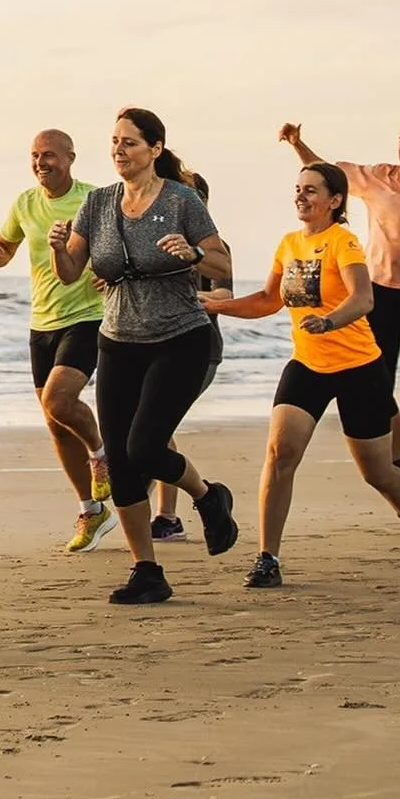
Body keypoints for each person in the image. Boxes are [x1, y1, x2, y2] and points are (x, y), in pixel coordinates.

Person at [209, 162, 400, 589]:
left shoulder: (344, 241)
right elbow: (267, 300)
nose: (300, 196)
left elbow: (364, 298)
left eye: (311, 190)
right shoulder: (289, 244)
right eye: (297, 189)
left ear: (334, 200)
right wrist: (215, 306)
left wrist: (329, 321)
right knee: (280, 454)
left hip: (359, 367)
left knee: (377, 472)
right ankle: (268, 558)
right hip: (307, 365)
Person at [50, 108, 237, 605]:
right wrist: (58, 248)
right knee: (121, 461)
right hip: (117, 341)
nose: (119, 150)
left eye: (130, 142)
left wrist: (194, 254)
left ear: (155, 149)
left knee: (146, 448)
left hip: (180, 339)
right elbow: (70, 271)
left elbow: (221, 260)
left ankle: (208, 496)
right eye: (115, 142)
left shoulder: (181, 200)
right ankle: (147, 571)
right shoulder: (97, 203)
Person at [280, 115, 400, 488]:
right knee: (380, 380)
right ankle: (399, 462)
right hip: (378, 291)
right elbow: (327, 176)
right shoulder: (380, 176)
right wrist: (297, 144)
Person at [0, 130, 115, 551]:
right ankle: (91, 511)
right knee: (55, 424)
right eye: (35, 155)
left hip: (88, 316)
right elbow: (7, 243)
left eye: (50, 156)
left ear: (70, 158)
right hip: (42, 321)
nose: (41, 163)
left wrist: (110, 271)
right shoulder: (25, 203)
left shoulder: (94, 199)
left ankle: (101, 454)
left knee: (59, 401)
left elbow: (122, 244)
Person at [153, 174, 233, 539]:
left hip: (201, 350)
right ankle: (165, 515)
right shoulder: (156, 241)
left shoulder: (214, 249)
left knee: (156, 429)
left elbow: (225, 296)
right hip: (153, 346)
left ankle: (168, 515)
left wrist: (193, 299)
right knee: (149, 429)